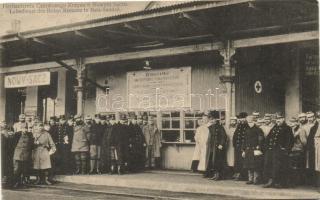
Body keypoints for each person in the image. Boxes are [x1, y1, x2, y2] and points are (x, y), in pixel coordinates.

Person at [263, 114, 294, 188]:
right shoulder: (274, 127)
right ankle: (270, 181)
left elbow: (290, 140)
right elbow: (268, 138)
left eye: (280, 118)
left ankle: (279, 182)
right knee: (269, 165)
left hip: (280, 151)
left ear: (283, 119)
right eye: (277, 119)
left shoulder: (287, 128)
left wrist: (286, 149)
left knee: (279, 167)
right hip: (271, 150)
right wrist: (266, 147)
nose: (278, 120)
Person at [204, 110, 227, 181]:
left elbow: (224, 136)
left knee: (217, 161)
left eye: (213, 119)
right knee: (211, 160)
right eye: (211, 119)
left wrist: (221, 144)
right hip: (211, 146)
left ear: (215, 120)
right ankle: (214, 174)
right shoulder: (210, 127)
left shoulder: (220, 127)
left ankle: (218, 175)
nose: (211, 120)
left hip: (217, 146)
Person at [242, 115, 264, 185]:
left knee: (255, 165)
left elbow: (261, 139)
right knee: (248, 165)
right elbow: (244, 140)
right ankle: (250, 179)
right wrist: (243, 150)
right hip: (248, 150)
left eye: (250, 121)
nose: (249, 123)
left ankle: (256, 179)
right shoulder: (246, 129)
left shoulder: (258, 129)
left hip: (255, 149)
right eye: (248, 122)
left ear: (254, 121)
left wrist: (259, 148)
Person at [12, 123, 34, 188]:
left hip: (26, 155)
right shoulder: (17, 134)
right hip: (17, 154)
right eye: (24, 128)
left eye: (26, 128)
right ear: (21, 128)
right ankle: (16, 182)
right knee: (16, 169)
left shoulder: (30, 135)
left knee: (24, 169)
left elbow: (31, 145)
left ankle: (23, 183)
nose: (25, 130)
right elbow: (12, 144)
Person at [288, 117, 307, 187]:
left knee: (297, 166)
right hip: (291, 150)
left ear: (297, 123)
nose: (292, 124)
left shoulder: (301, 130)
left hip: (298, 150)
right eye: (291, 122)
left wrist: (301, 147)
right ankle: (292, 181)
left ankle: (297, 182)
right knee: (291, 166)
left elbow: (304, 141)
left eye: (293, 122)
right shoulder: (290, 130)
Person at [232, 112, 248, 180]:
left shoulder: (247, 126)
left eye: (242, 118)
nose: (240, 120)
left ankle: (242, 175)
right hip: (237, 146)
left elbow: (247, 137)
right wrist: (234, 144)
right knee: (237, 160)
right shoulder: (239, 126)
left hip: (243, 146)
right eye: (240, 118)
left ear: (245, 118)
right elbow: (235, 135)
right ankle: (237, 173)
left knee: (242, 161)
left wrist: (244, 147)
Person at [305, 112, 319, 186]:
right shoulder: (313, 127)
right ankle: (315, 182)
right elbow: (310, 139)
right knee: (315, 165)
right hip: (314, 148)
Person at [1, 120, 15, 187]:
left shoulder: (9, 132)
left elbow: (11, 143)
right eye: (3, 123)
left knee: (7, 167)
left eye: (5, 123)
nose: (4, 124)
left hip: (8, 152)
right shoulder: (2, 132)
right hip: (2, 152)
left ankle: (8, 182)